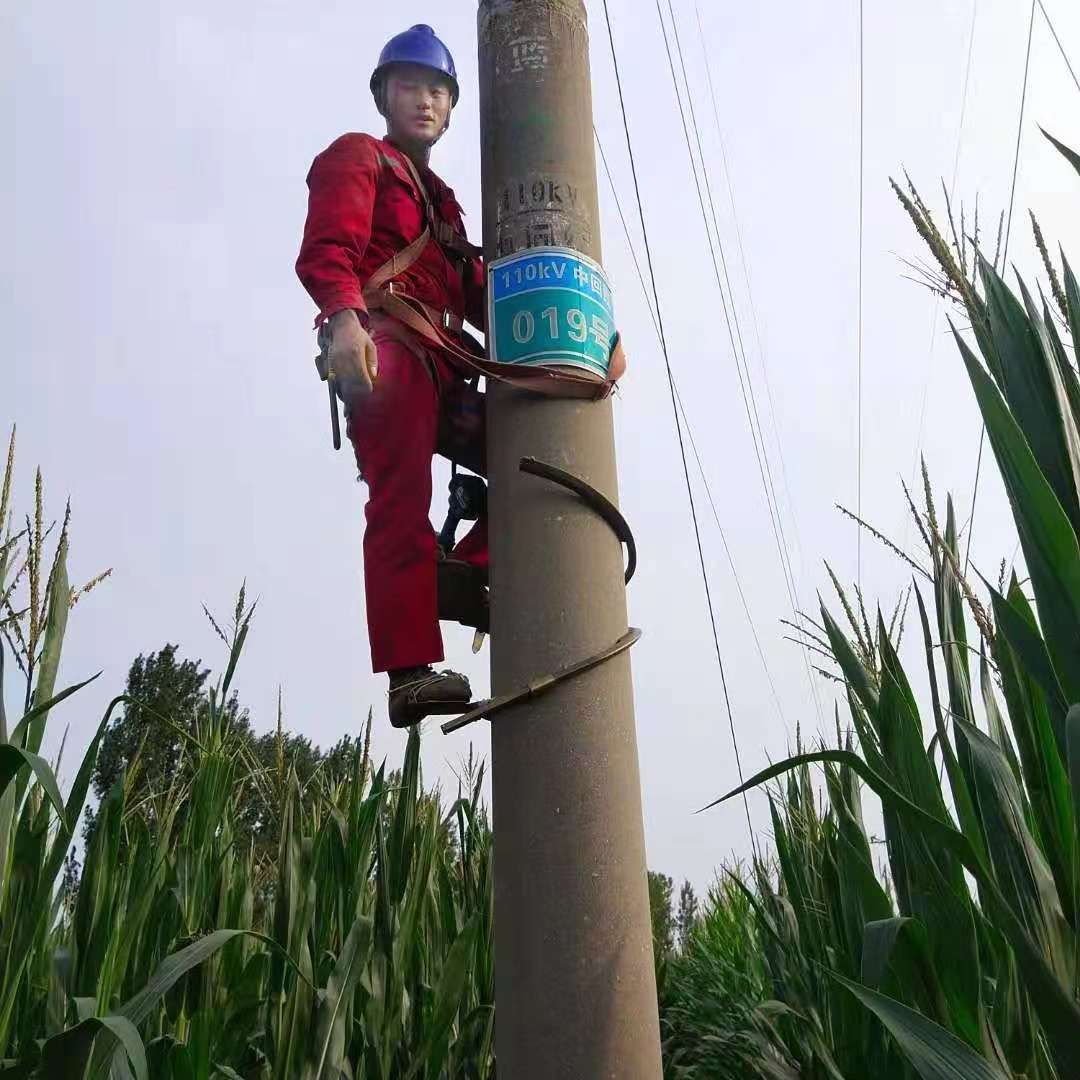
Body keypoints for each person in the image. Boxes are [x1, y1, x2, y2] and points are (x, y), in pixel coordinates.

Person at [295, 25, 487, 729]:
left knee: (535, 452)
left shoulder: (443, 202)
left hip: (447, 366)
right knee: (401, 496)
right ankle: (409, 674)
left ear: (451, 107)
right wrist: (345, 321)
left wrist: (584, 335)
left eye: (438, 90)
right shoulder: (360, 156)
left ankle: (461, 574)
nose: (425, 101)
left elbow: (482, 294)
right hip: (387, 350)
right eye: (410, 87)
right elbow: (327, 250)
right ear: (384, 95)